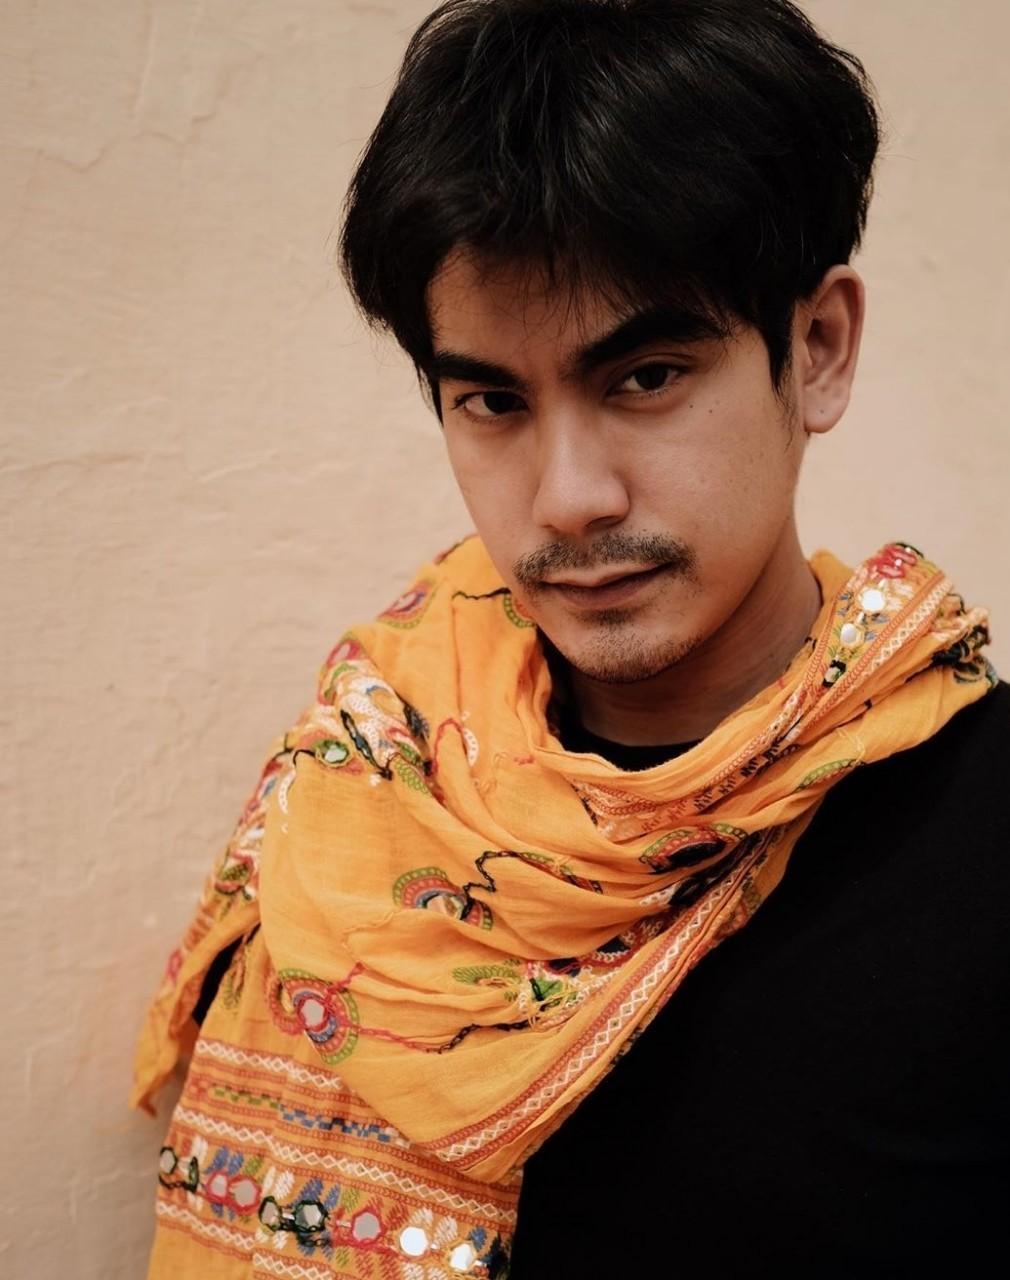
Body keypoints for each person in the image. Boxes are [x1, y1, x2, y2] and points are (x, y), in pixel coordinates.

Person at [133, 2, 1007, 1276]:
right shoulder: (367, 779)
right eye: (492, 399)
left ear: (815, 350)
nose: (567, 498)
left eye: (644, 376)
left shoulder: (978, 833)